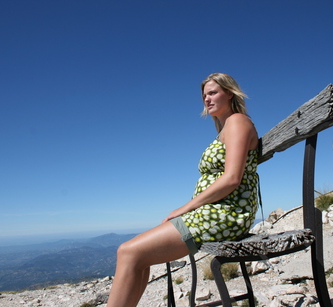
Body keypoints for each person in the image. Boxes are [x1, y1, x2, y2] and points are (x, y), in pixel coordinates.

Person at [106, 72, 259, 307]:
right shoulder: (226, 128)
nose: (207, 99)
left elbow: (231, 179)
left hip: (226, 213)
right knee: (137, 257)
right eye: (204, 95)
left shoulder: (238, 121)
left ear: (229, 93)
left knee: (127, 252)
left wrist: (185, 207)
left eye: (213, 93)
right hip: (214, 211)